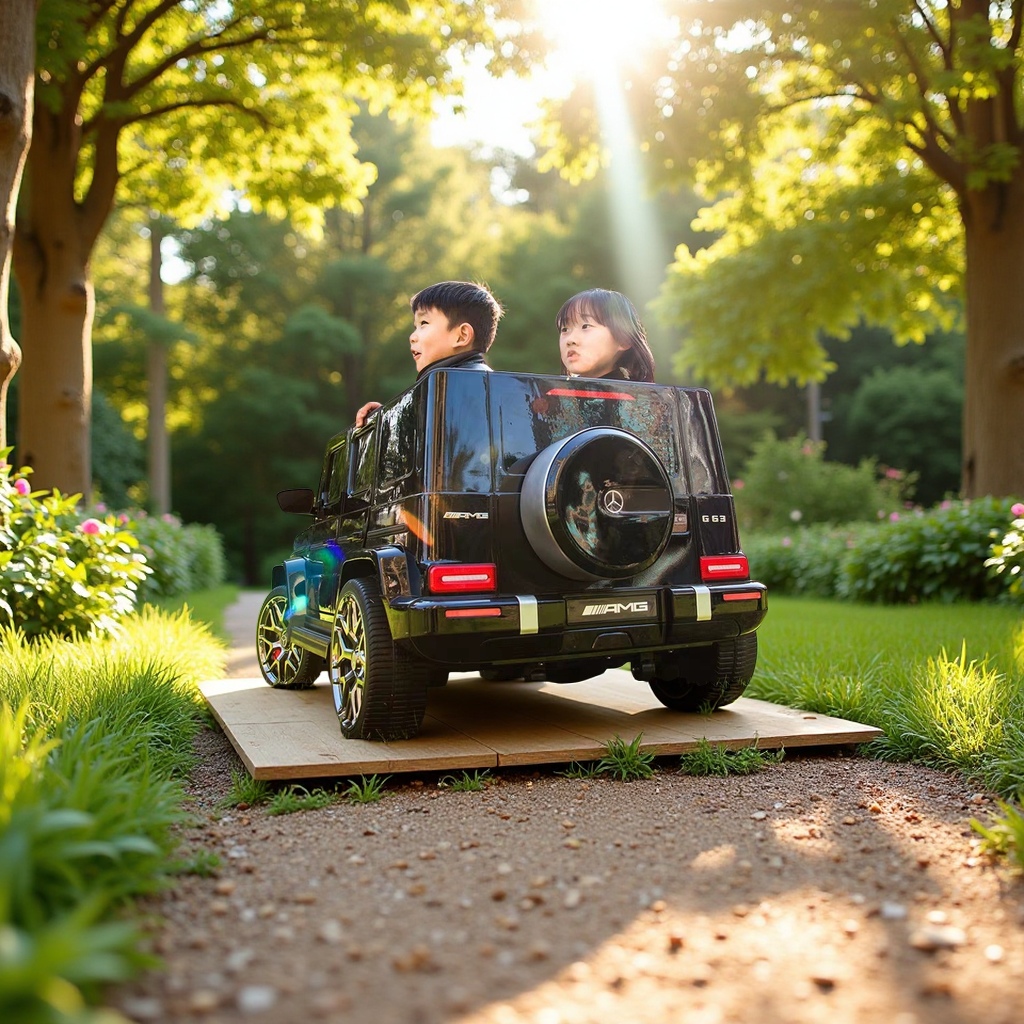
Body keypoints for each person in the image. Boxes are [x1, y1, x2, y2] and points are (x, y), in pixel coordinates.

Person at [355, 280, 503, 426]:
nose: (412, 337)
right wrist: (387, 419)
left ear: (462, 336)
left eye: (424, 323)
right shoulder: (490, 390)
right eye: (415, 327)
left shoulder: (461, 388)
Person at [556, 288, 655, 382]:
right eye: (565, 329)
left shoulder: (633, 394)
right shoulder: (554, 392)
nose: (570, 340)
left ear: (623, 340)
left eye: (585, 326)